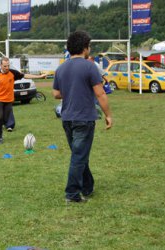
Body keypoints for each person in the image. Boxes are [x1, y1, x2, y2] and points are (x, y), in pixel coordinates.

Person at [52, 31, 112, 203]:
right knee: (79, 156)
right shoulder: (89, 66)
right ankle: (72, 194)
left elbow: (56, 94)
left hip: (67, 119)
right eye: (89, 46)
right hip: (84, 118)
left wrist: (71, 90)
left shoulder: (61, 68)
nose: (90, 49)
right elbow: (100, 94)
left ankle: (87, 186)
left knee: (79, 154)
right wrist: (108, 115)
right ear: (85, 47)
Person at [0, 57, 47, 144]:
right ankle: (0, 136)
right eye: (5, 66)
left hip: (9, 100)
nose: (7, 68)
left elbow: (25, 75)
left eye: (8, 66)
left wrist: (39, 76)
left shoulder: (12, 73)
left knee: (4, 119)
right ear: (1, 65)